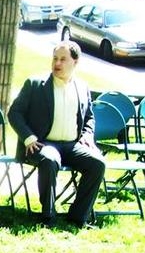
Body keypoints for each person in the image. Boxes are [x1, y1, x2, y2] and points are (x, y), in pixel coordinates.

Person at [7, 40, 105, 229]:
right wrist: (29, 137)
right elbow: (14, 113)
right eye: (54, 59)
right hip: (42, 144)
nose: (57, 64)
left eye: (62, 59)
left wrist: (87, 135)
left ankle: (78, 217)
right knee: (50, 159)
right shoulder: (35, 84)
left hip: (72, 145)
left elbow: (89, 117)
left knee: (98, 163)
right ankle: (48, 215)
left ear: (75, 63)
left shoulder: (83, 87)